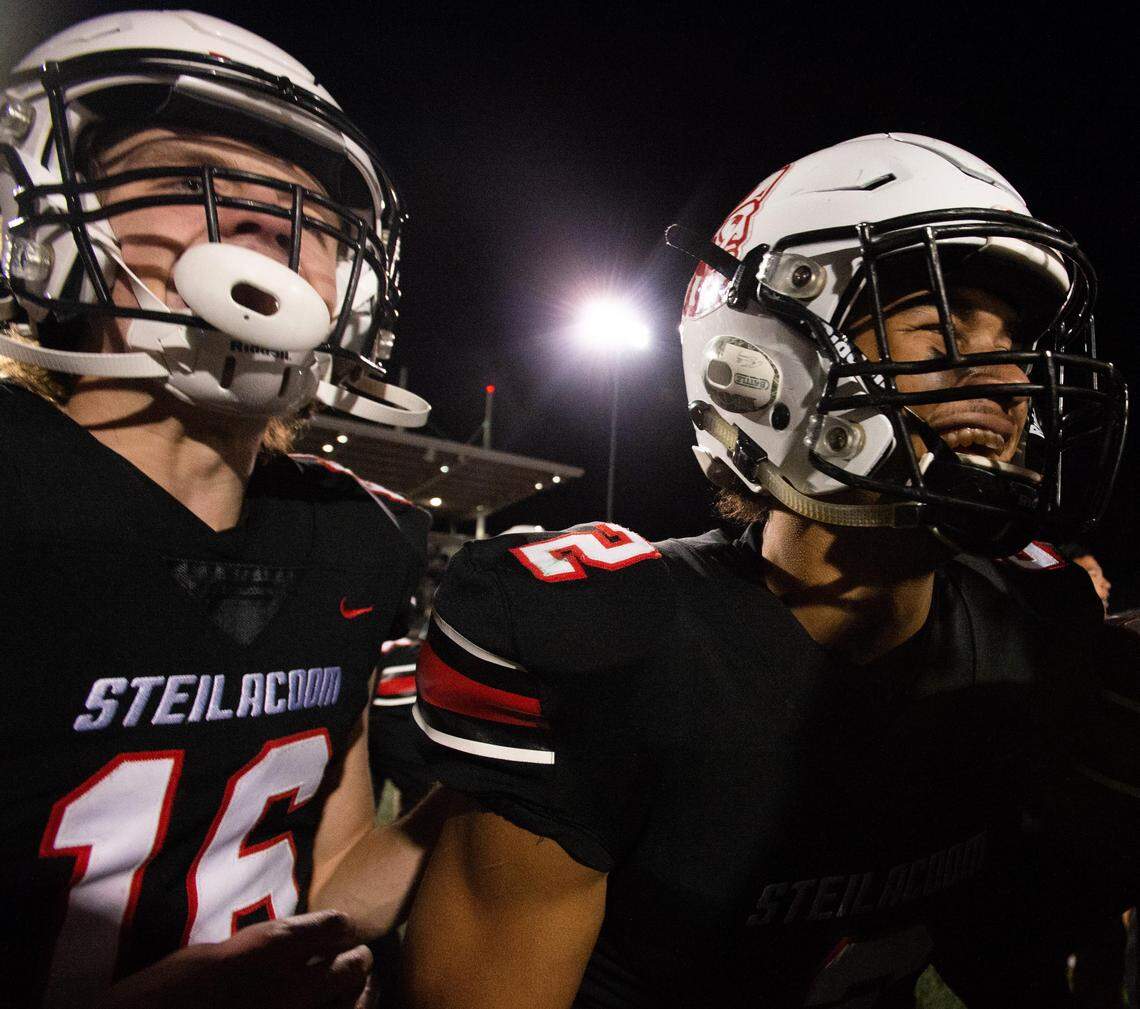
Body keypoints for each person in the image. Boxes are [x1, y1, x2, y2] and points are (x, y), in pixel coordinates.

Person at [402, 134, 1132, 1008]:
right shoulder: (614, 641)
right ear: (764, 360)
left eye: (1016, 340)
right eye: (943, 325)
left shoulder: (1034, 625)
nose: (1010, 378)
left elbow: (1007, 947)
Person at [0, 11, 441, 1008]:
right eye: (188, 172)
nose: (265, 223)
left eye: (310, 213)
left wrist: (506, 778)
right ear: (58, 219)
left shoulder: (357, 539)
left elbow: (332, 879)